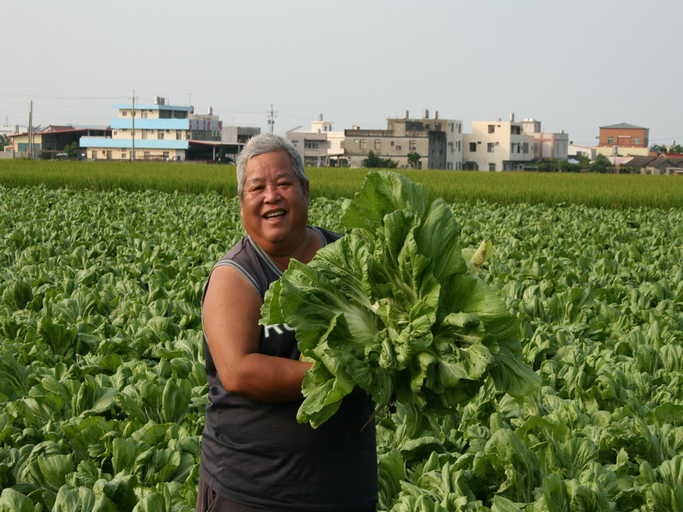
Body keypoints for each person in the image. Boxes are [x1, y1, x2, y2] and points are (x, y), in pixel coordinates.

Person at [197, 133, 378, 512]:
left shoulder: (348, 257)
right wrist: (345, 374)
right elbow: (239, 371)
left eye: (283, 183)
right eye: (256, 188)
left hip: (345, 488)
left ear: (306, 191)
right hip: (253, 492)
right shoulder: (236, 276)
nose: (271, 196)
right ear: (242, 202)